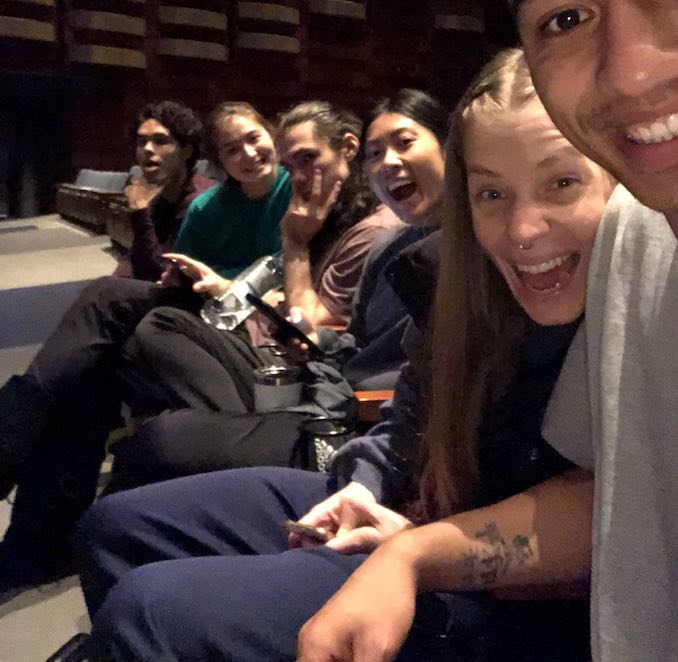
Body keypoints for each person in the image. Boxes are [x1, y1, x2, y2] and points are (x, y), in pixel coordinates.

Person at [294, 0, 678, 660]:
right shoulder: (639, 238)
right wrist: (411, 556)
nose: (629, 69)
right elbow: (625, 498)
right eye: (564, 17)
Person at [75, 48, 614, 661]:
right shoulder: (461, 280)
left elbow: (617, 524)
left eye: (562, 182)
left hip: (505, 595)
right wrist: (365, 488)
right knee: (114, 529)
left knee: (151, 607)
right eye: (492, 193)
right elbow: (403, 419)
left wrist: (418, 547)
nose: (523, 229)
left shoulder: (639, 301)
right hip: (403, 500)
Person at [0, 101, 291, 590]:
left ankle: (10, 444)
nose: (246, 153)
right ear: (218, 157)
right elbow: (161, 272)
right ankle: (38, 543)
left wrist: (142, 221)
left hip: (238, 324)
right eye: (231, 148)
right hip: (191, 312)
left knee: (105, 300)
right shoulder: (204, 206)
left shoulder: (292, 194)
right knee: (88, 381)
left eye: (163, 141)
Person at [107, 97, 424, 483]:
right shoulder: (328, 214)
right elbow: (321, 324)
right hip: (312, 366)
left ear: (347, 149)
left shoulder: (375, 232)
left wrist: (293, 243)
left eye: (308, 158)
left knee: (154, 431)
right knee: (141, 340)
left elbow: (313, 322)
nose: (298, 176)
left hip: (337, 405)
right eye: (290, 165)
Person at [112, 100, 212, 282]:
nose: (148, 149)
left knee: (101, 292)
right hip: (152, 295)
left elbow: (164, 274)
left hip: (190, 300)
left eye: (160, 141)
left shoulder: (203, 202)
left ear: (187, 150)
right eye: (142, 142)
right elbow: (134, 262)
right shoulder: (161, 200)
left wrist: (140, 212)